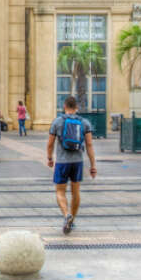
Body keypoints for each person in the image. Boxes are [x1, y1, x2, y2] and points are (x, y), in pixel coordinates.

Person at [47, 96, 96, 235]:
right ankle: (72, 220)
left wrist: (50, 158)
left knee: (60, 191)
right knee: (76, 192)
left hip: (62, 162)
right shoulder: (84, 123)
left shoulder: (57, 122)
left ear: (64, 106)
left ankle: (66, 215)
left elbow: (50, 143)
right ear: (76, 108)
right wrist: (93, 166)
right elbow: (90, 145)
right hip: (77, 162)